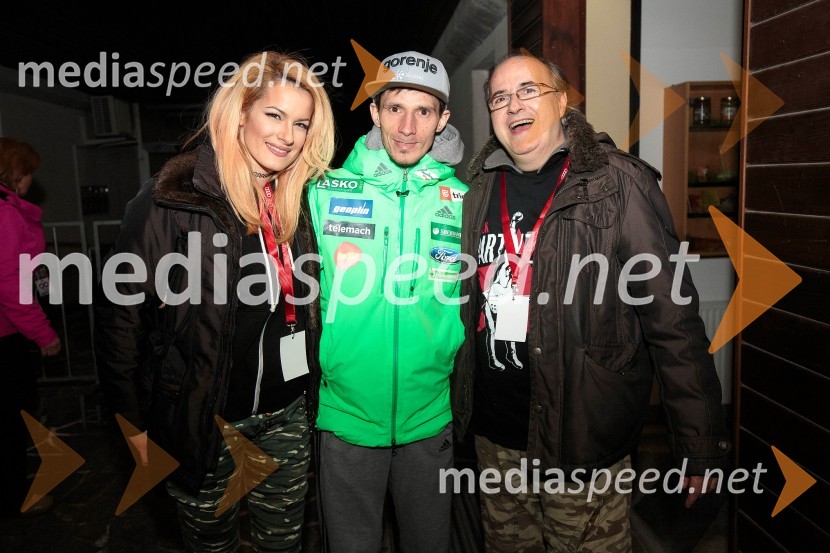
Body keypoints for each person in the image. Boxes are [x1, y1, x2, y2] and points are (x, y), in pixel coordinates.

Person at [452, 51, 731, 552]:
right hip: (495, 445)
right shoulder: (477, 192)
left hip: (582, 449)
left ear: (562, 101)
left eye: (528, 91)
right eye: (499, 97)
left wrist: (700, 447)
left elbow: (674, 323)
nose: (513, 105)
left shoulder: (618, 184)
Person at [93, 51, 334, 552]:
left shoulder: (298, 203)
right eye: (274, 115)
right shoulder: (170, 200)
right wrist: (132, 427)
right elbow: (119, 323)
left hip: (286, 416)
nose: (286, 136)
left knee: (282, 545)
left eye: (301, 124)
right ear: (240, 112)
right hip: (204, 420)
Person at [307, 50, 467, 553]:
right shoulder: (324, 191)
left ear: (442, 120)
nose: (407, 126)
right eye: (395, 107)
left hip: (429, 419)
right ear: (374, 112)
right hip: (347, 418)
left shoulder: (465, 200)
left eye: (424, 111)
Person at [0, 138, 62, 518]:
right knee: (10, 419)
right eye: (27, 174)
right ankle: (14, 495)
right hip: (6, 334)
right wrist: (44, 333)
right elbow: (10, 282)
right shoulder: (5, 214)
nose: (29, 181)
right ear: (14, 173)